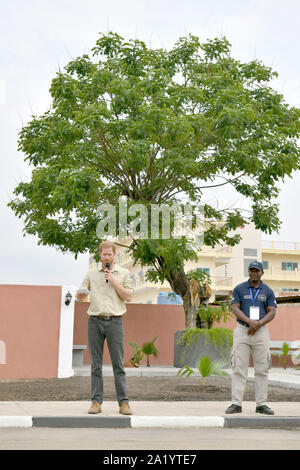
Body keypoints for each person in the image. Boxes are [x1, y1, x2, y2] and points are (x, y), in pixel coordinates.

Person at [76, 241, 135, 415]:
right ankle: (96, 402)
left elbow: (129, 297)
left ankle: (124, 403)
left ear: (114, 255)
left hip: (115, 321)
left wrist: (114, 281)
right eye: (104, 254)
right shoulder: (91, 274)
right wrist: (80, 295)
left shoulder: (124, 273)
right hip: (94, 321)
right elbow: (81, 295)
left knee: (118, 364)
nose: (107, 257)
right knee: (96, 364)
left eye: (110, 254)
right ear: (100, 255)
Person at [225, 260, 277, 415]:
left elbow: (272, 311)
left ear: (262, 272)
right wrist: (249, 322)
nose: (254, 273)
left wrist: (258, 324)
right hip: (242, 331)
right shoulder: (240, 289)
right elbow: (235, 308)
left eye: (257, 270)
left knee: (262, 368)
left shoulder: (267, 290)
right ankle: (236, 403)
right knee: (238, 368)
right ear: (249, 272)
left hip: (260, 332)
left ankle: (261, 404)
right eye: (252, 270)